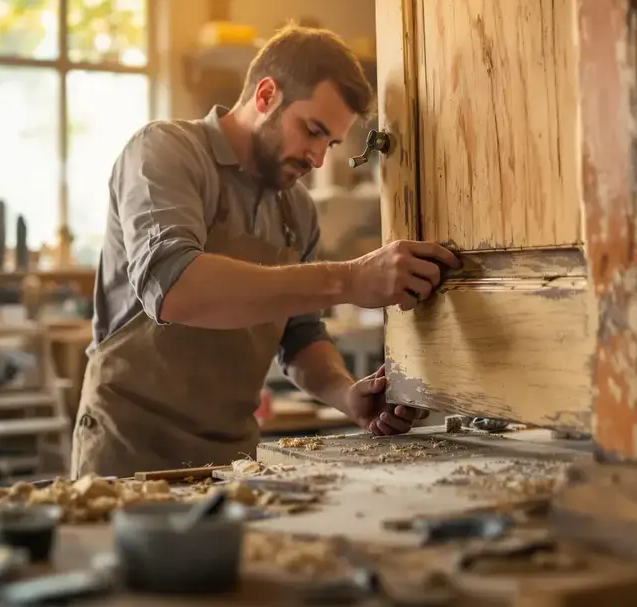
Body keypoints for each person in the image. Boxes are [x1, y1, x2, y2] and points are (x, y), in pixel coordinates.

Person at [71, 24, 461, 477]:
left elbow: (299, 336)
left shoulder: (297, 210)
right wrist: (350, 279)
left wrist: (345, 393)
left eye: (330, 143)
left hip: (232, 458)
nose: (317, 159)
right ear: (265, 95)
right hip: (129, 450)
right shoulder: (165, 151)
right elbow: (175, 288)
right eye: (312, 131)